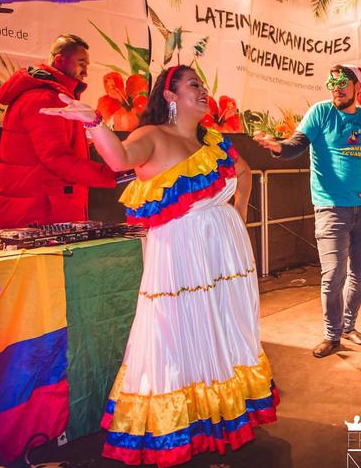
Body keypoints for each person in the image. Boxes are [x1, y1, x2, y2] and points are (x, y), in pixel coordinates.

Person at [41, 65, 277, 467]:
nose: (204, 91)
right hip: (181, 256)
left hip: (227, 252)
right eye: (194, 85)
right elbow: (118, 160)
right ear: (170, 96)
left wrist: (237, 213)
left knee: (226, 327)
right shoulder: (150, 136)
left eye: (204, 84)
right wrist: (95, 123)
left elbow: (244, 172)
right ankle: (180, 423)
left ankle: (222, 413)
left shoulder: (215, 141)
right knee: (175, 331)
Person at [254, 65, 361, 358]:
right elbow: (297, 144)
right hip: (330, 209)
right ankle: (332, 334)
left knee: (360, 272)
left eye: (343, 83)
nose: (336, 88)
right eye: (332, 82)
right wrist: (278, 147)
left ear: (357, 87)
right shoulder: (321, 113)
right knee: (333, 274)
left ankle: (349, 326)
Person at [0, 34, 117, 228]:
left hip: (46, 207)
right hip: (43, 212)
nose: (85, 72)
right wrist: (109, 174)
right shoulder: (44, 97)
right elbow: (55, 157)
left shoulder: (52, 95)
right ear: (60, 60)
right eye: (81, 63)